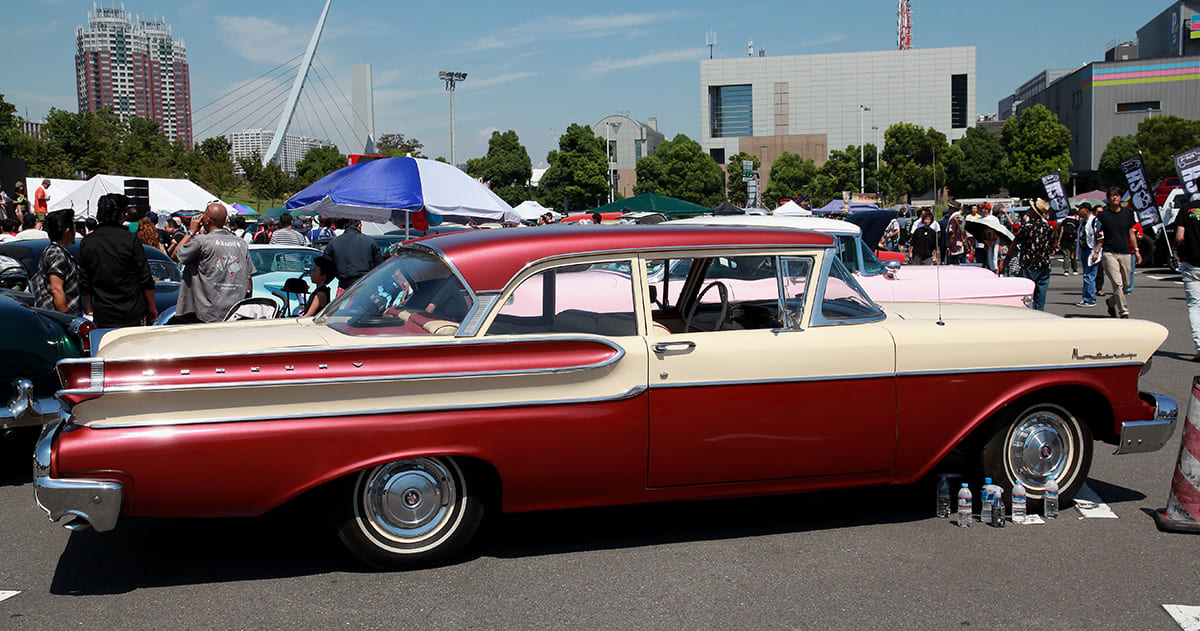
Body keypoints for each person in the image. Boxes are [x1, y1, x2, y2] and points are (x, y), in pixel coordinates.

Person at [78, 193, 157, 327]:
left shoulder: (87, 241)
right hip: (132, 311)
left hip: (103, 313)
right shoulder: (130, 239)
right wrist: (152, 306)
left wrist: (89, 309)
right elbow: (145, 277)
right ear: (121, 215)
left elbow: (84, 282)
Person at [174, 202, 252, 323]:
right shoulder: (241, 243)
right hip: (235, 312)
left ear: (207, 220)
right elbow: (248, 276)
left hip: (206, 313)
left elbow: (176, 255)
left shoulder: (201, 241)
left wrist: (191, 231)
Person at [1003, 199, 1055, 310]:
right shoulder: (1048, 227)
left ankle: (1024, 310)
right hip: (1044, 263)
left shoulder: (1027, 226)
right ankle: (1039, 311)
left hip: (1028, 262)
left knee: (1025, 290)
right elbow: (1053, 244)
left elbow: (1016, 241)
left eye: (1030, 209)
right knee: (1041, 291)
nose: (1028, 211)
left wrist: (1008, 254)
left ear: (1034, 213)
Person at [1098, 187, 1140, 318]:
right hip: (1109, 252)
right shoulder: (1103, 215)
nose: (1114, 198)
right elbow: (1098, 233)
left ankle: (1111, 302)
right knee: (1117, 283)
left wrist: (1137, 250)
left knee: (1126, 286)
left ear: (1120, 198)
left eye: (1117, 195)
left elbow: (1131, 232)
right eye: (1111, 196)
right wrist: (1097, 245)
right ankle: (1124, 312)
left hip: (1125, 251)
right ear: (1108, 198)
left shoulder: (1127, 213)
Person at [31, 209, 81, 315]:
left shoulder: (54, 251)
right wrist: (66, 319)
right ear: (67, 232)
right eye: (74, 227)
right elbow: (56, 289)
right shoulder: (56, 254)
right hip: (57, 319)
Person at [1173, 199, 1200, 361]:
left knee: (1195, 305)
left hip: (1192, 264)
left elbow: (1179, 237)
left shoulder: (1187, 208)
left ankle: (1199, 346)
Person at [324, 218, 382, 291]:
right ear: (359, 226)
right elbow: (380, 266)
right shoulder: (370, 242)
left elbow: (325, 268)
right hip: (366, 286)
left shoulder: (333, 243)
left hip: (344, 287)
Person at [1075, 202, 1103, 308]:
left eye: (1080, 209)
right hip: (1084, 251)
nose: (1078, 211)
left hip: (1092, 251)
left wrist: (1096, 252)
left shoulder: (1095, 221)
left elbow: (1101, 238)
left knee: (1090, 276)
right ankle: (1086, 297)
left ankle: (1090, 299)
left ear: (1086, 210)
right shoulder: (1082, 222)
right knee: (1086, 275)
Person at [1057, 208, 1080, 276]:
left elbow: (1062, 231)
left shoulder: (1065, 221)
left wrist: (1059, 241)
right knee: (1074, 255)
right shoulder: (1076, 221)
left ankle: (1066, 270)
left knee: (1066, 255)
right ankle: (1074, 269)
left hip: (1065, 239)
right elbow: (1078, 231)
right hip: (1074, 239)